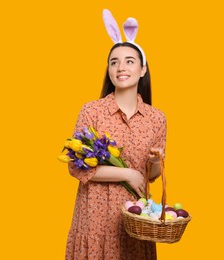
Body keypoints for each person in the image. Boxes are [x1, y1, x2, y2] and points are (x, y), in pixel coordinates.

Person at [65, 10, 166, 260]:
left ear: (143, 69)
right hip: (94, 222)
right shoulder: (92, 111)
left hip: (134, 224)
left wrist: (154, 163)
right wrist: (126, 173)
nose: (121, 67)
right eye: (114, 62)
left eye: (130, 61)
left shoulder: (157, 118)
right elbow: (77, 168)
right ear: (109, 70)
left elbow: (150, 177)